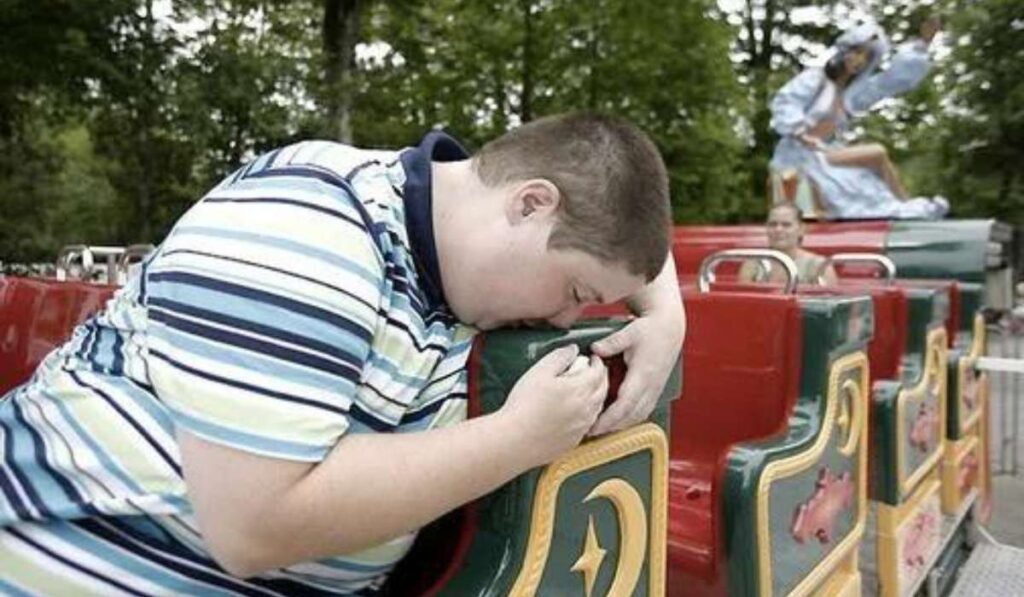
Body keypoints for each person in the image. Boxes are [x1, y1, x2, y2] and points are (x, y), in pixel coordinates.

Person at [0, 113, 685, 594]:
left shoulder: (467, 243)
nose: (563, 318)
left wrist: (667, 318)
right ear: (530, 203)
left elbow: (607, 197)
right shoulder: (312, 226)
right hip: (69, 550)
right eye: (574, 291)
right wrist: (518, 437)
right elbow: (254, 528)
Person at [769, 17, 948, 220]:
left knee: (876, 156)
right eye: (857, 52)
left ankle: (905, 206)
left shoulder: (853, 94)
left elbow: (888, 82)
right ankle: (905, 206)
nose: (860, 60)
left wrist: (922, 45)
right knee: (877, 153)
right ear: (845, 50)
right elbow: (786, 102)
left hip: (825, 151)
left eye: (867, 57)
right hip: (798, 155)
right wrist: (801, 133)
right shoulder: (815, 79)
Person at [739, 203, 838, 286]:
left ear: (801, 229)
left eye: (786, 225)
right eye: (773, 224)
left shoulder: (819, 266)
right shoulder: (753, 264)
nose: (778, 230)